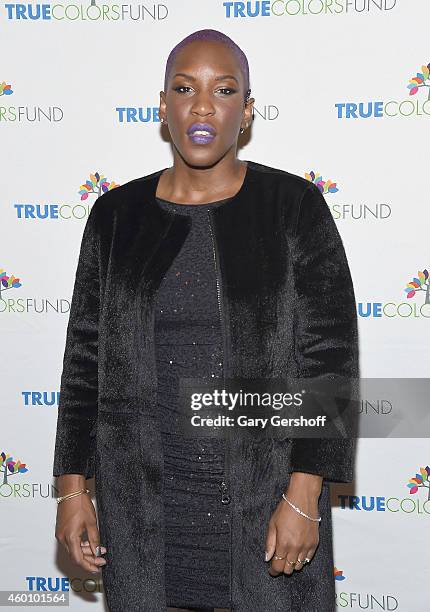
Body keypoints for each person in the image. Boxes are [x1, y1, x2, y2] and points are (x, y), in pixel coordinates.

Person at [53, 29, 359, 612]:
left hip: (265, 504)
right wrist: (72, 487)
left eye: (223, 90)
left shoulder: (292, 207)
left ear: (245, 112)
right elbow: (85, 358)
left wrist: (304, 495)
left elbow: (330, 360)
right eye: (184, 88)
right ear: (162, 108)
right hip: (144, 513)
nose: (201, 105)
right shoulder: (117, 216)